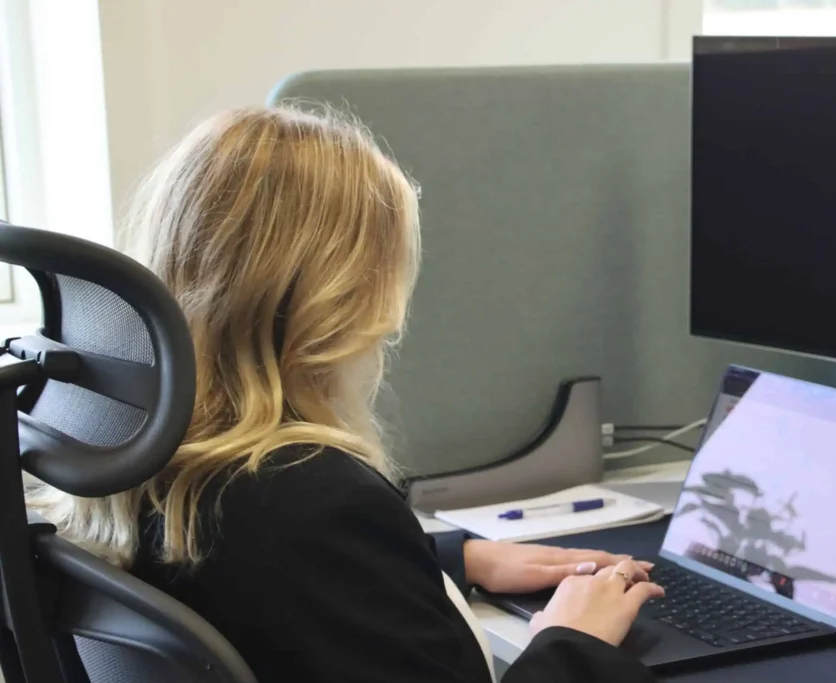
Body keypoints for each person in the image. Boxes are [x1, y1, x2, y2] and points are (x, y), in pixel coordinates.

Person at [28, 107, 664, 682]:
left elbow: (266, 584)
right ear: (343, 295)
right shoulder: (308, 496)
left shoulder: (128, 443)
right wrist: (574, 643)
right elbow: (300, 554)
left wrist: (451, 559)